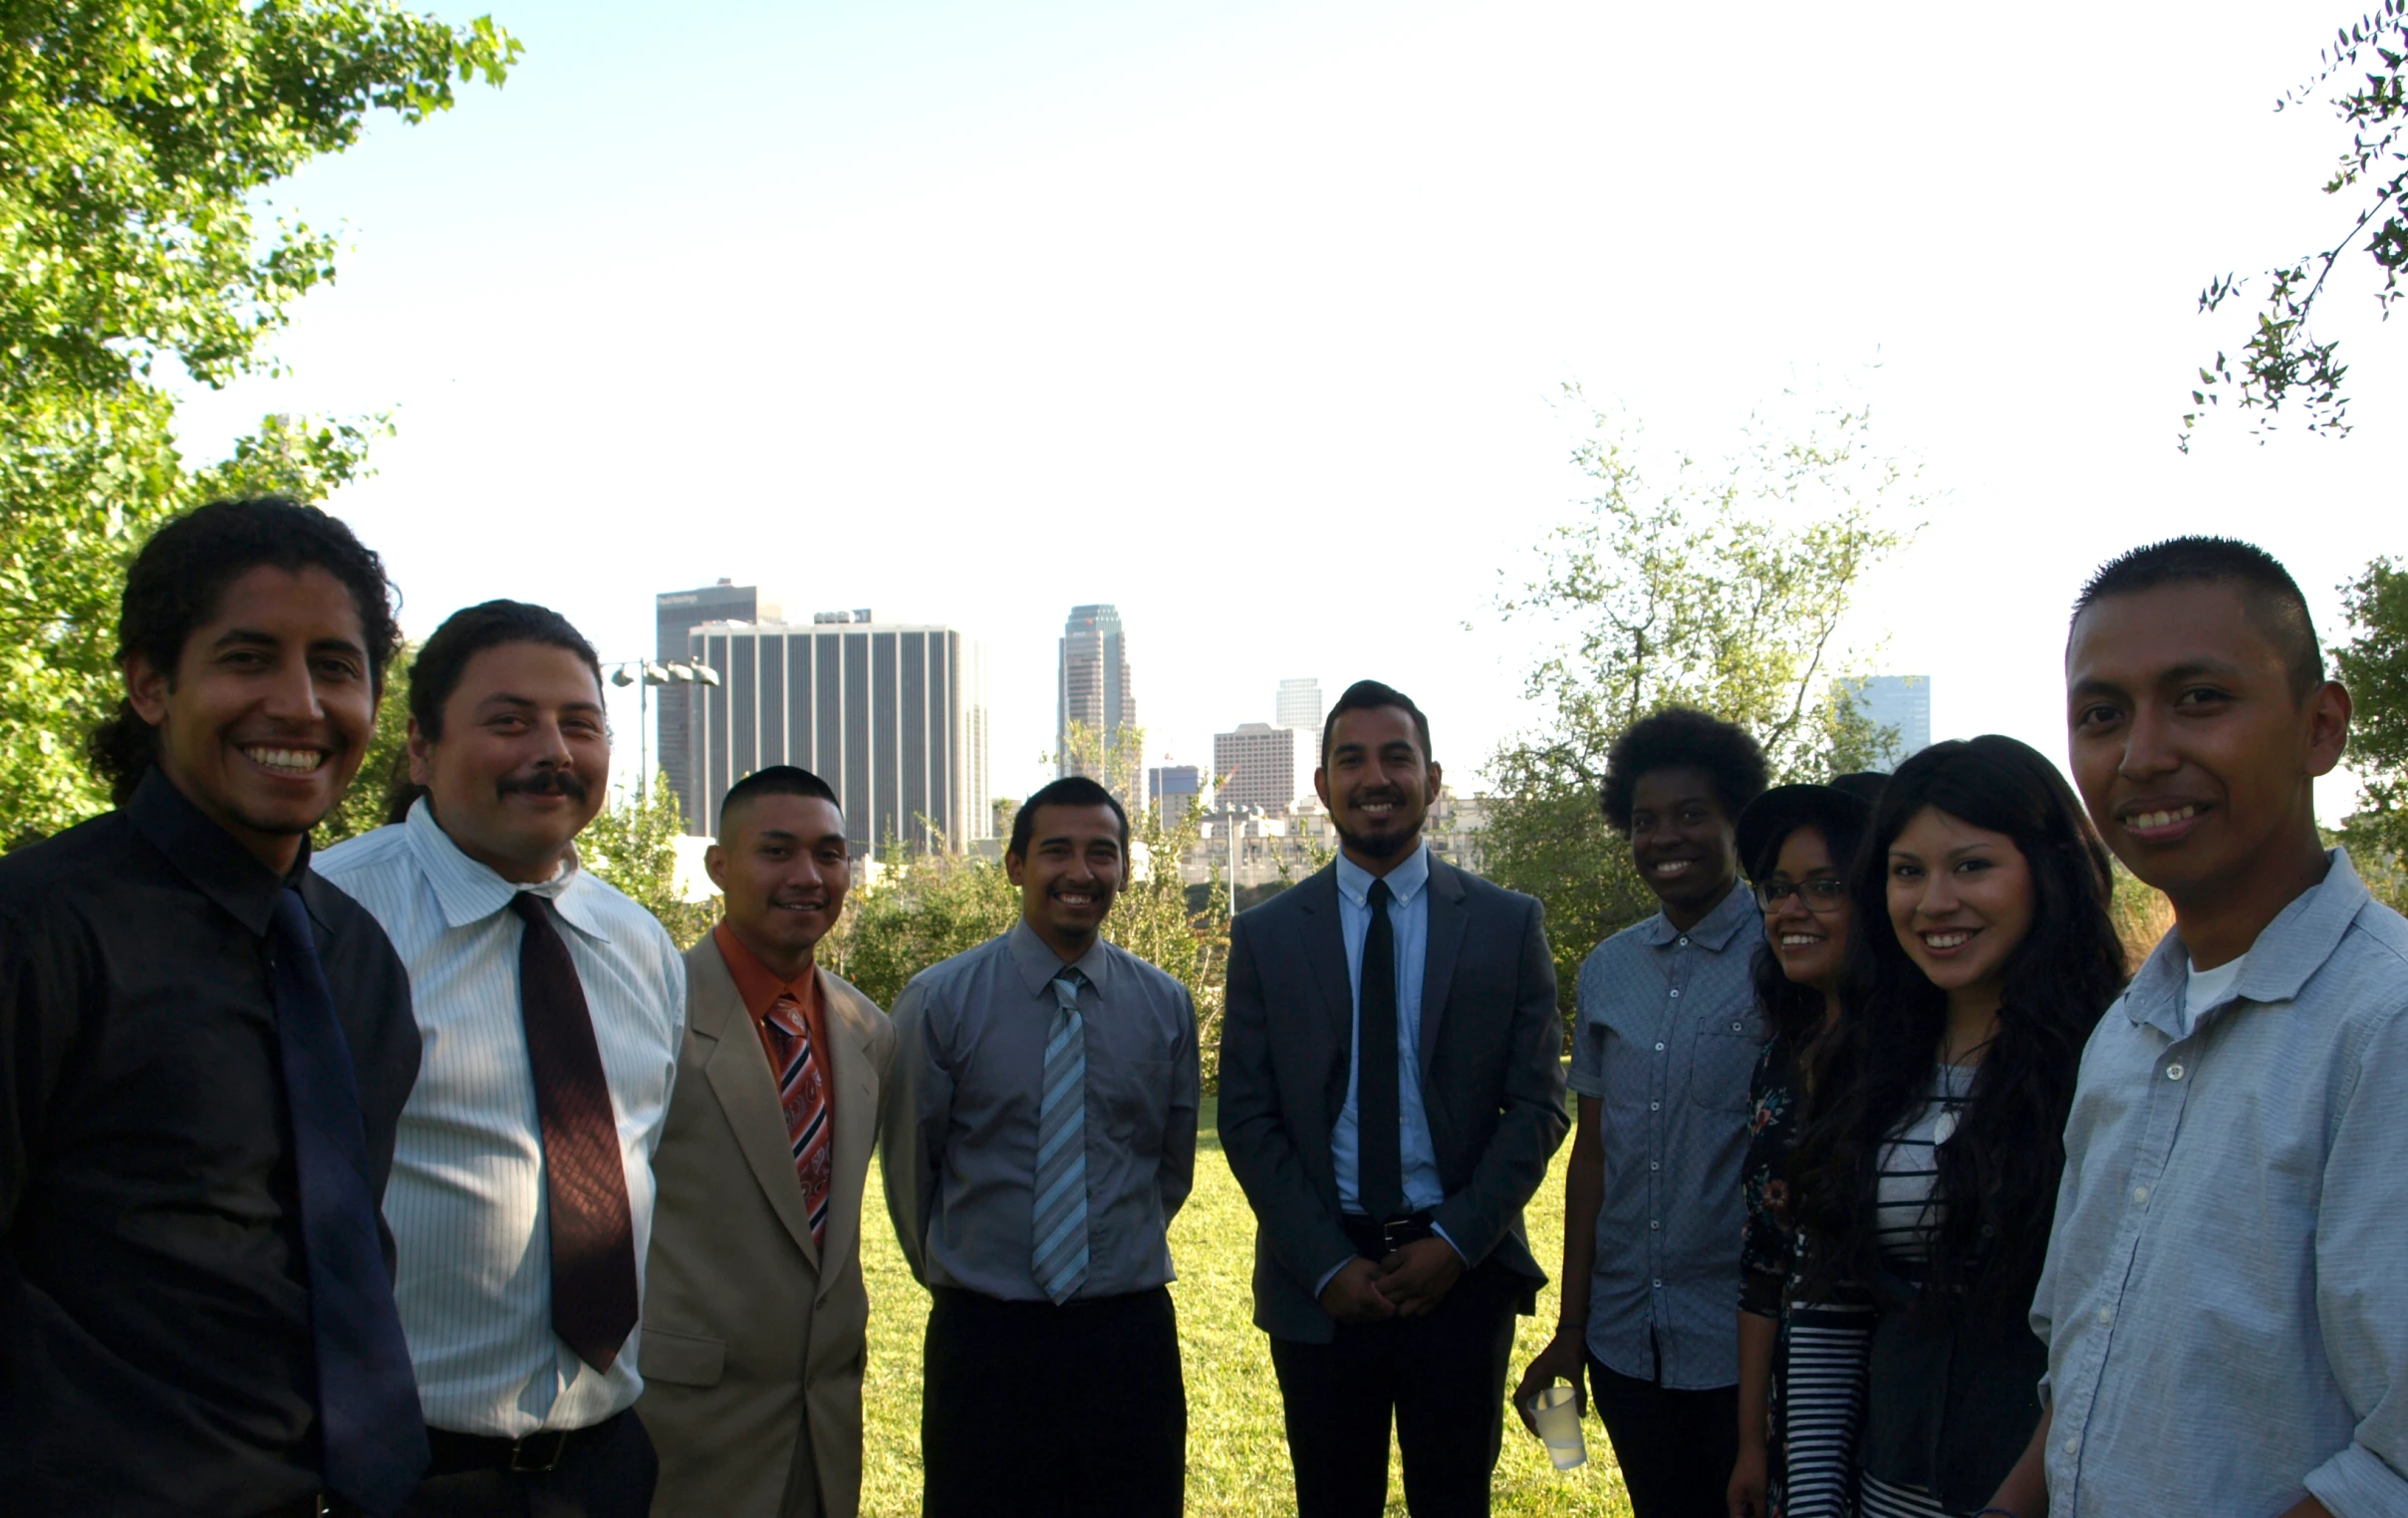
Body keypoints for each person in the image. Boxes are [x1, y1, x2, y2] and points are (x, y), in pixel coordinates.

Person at [0, 498, 427, 1517]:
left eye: (336, 666)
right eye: (248, 658)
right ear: (150, 683)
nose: (299, 704)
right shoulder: (38, 931)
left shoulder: (356, 958)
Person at [1985, 538, 2408, 1518]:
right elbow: (2087, 1359)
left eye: (2199, 699)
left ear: (2318, 727)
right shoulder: (2129, 1031)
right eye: (2100, 715)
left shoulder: (2380, 1026)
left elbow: (2390, 1469)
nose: (2140, 756)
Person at [319, 601, 686, 1517]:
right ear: (418, 749)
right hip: (400, 1473)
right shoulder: (328, 919)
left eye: (581, 724)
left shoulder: (637, 943)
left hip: (604, 1464)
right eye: (509, 720)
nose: (553, 750)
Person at [1221, 679, 1569, 1518]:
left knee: (1455, 1502)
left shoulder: (1504, 923)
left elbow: (1537, 1106)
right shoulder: (1267, 934)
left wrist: (1456, 1240)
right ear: (1321, 787)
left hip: (1460, 1275)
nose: (1373, 777)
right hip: (1320, 1282)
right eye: (1350, 760)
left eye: (1395, 757)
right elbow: (1245, 1113)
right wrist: (1326, 1261)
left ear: (1433, 778)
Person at [1786, 736, 2123, 1518]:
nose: (1933, 902)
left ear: (2047, 870)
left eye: (1970, 866)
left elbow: (2112, 1335)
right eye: (1907, 872)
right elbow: (1830, 1308)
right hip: (1885, 1492)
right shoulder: (1860, 1064)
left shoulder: (2122, 1057)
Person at [879, 775, 1201, 1518]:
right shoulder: (939, 1001)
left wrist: (1104, 1245)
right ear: (1016, 865)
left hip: (1127, 1338)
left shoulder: (1164, 1005)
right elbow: (910, 1173)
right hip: (986, 1340)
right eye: (1056, 851)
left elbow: (1169, 1169)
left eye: (1102, 853)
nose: (1080, 873)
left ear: (1124, 867)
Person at [1514, 706, 1769, 1518]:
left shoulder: (1787, 954)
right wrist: (1571, 1329)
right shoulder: (1607, 970)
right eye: (1643, 821)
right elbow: (1593, 1157)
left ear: (1736, 820)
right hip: (1626, 1339)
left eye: (1691, 815)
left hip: (1747, 1347)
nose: (1665, 838)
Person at [641, 766, 896, 1518]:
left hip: (823, 1423)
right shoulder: (649, 1011)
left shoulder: (867, 1030)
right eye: (776, 852)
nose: (808, 877)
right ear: (718, 865)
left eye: (829, 854)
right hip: (685, 1423)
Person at [1726, 772, 1885, 1518]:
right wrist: (1753, 1444)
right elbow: (1763, 1263)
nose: (1790, 910)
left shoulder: (1925, 1061)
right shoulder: (1781, 1056)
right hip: (1799, 1420)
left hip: (1903, 1423)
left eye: (1825, 886)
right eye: (1776, 887)